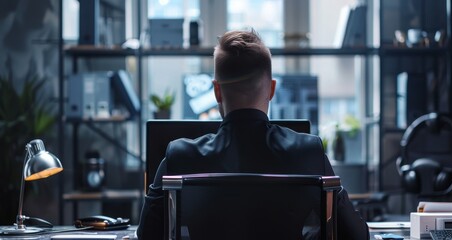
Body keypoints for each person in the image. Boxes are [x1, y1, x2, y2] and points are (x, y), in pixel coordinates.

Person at [136, 29, 369, 239]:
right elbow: (356, 236)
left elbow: (147, 235)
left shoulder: (179, 156)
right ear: (272, 89)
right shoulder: (309, 153)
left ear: (217, 91)